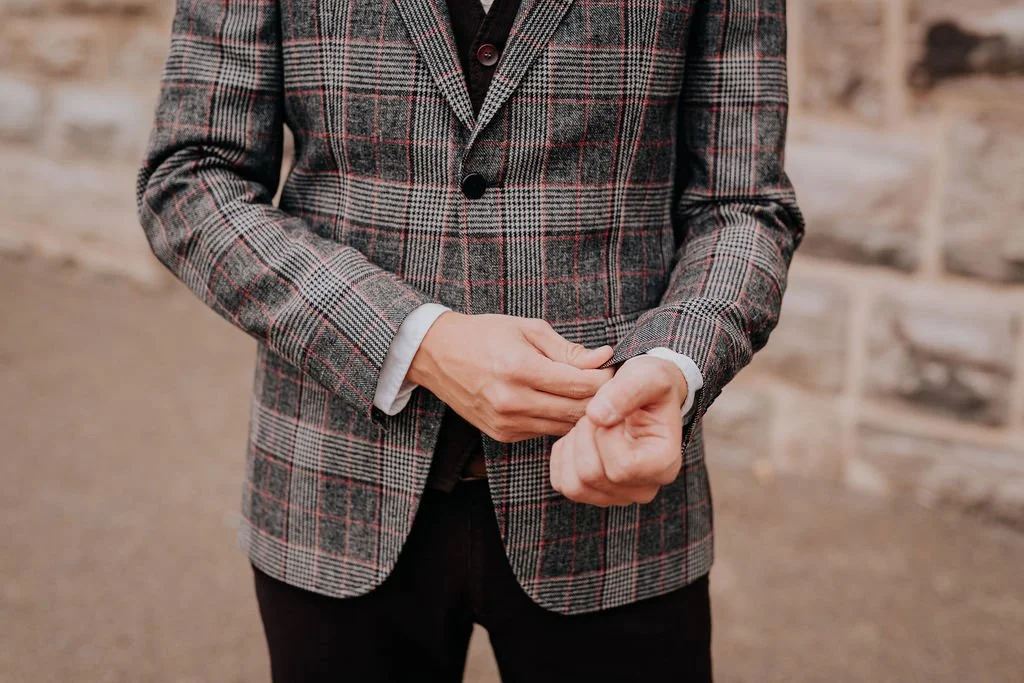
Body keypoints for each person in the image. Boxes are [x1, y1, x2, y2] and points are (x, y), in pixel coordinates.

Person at [137, 0, 803, 680]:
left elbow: (742, 202)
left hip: (614, 502)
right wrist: (415, 342)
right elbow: (191, 178)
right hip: (333, 483)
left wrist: (675, 360)